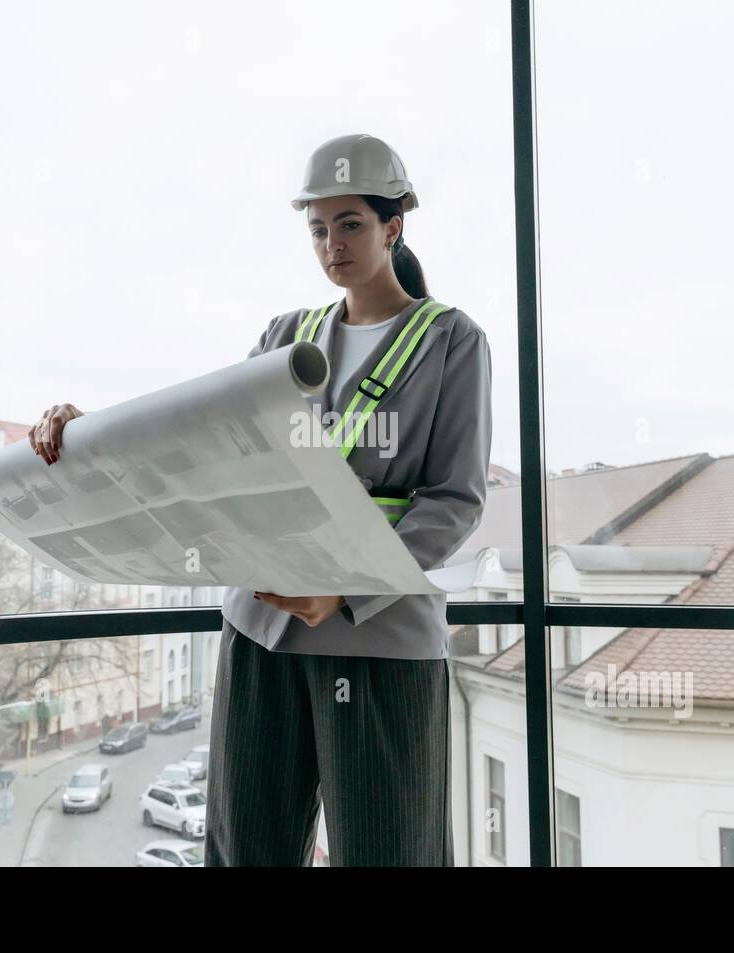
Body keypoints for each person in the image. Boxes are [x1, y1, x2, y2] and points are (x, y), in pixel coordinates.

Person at [29, 133, 491, 866]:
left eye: (350, 224)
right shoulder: (287, 335)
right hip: (260, 630)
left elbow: (455, 501)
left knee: (388, 848)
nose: (331, 244)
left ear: (393, 226)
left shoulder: (450, 343)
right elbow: (204, 444)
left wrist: (340, 590)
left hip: (377, 641)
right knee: (246, 846)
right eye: (317, 227)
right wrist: (92, 436)